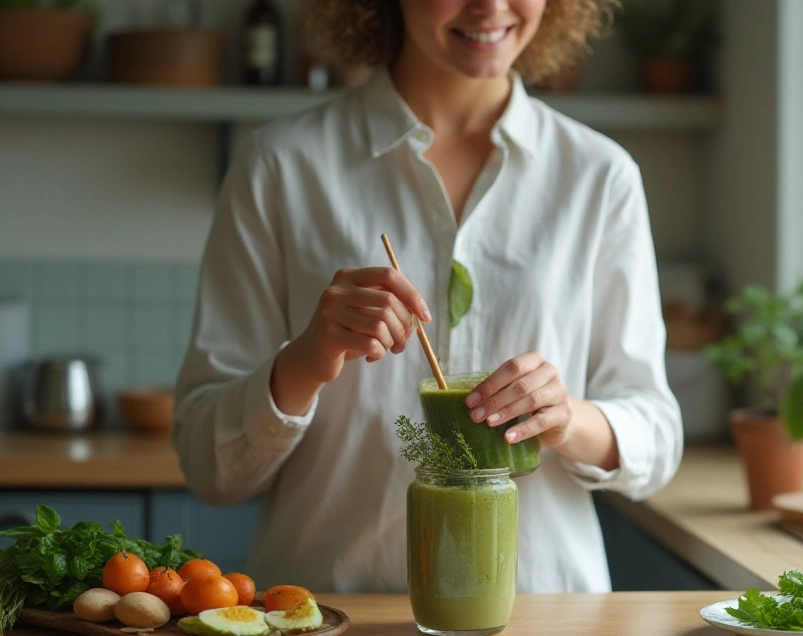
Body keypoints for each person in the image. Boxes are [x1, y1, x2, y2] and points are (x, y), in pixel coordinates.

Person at [173, 0, 683, 593]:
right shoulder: (280, 167)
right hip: (332, 621)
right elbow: (210, 467)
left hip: (542, 621)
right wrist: (305, 361)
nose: (491, 6)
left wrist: (567, 418)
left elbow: (656, 428)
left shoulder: (598, 176)